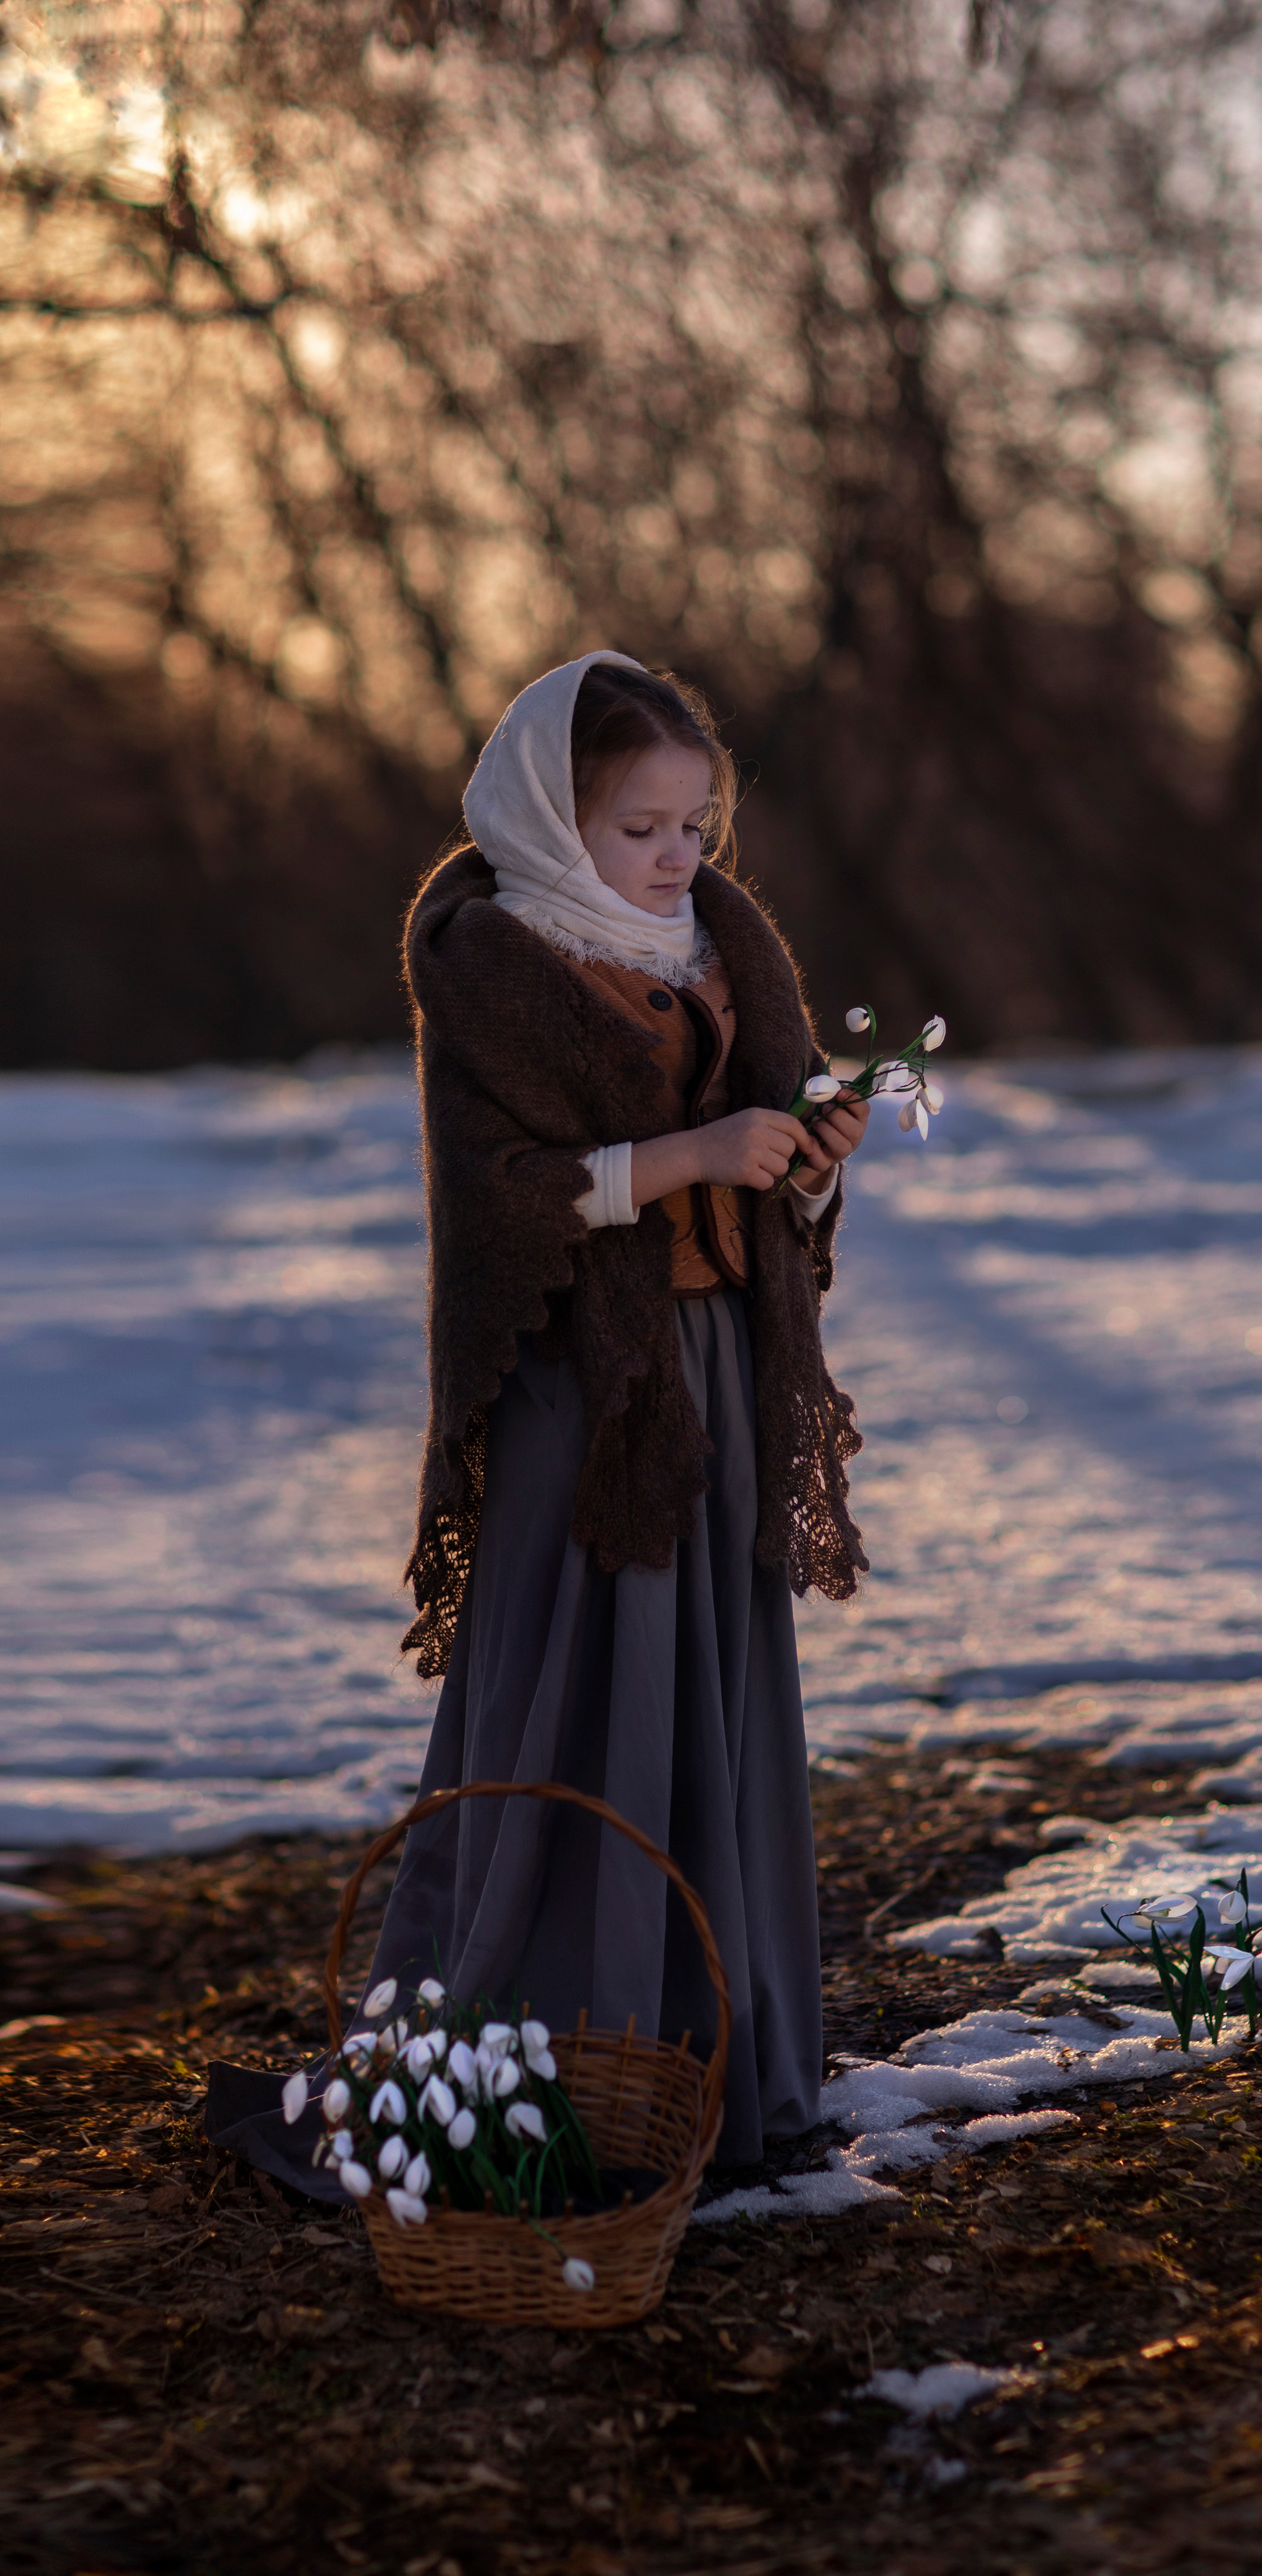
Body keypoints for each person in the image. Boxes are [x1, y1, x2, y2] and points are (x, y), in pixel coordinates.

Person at [206, 650, 868, 2187]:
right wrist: (690, 1151)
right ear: (555, 818)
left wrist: (805, 1158)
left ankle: (705, 2059)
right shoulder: (492, 957)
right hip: (588, 1393)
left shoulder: (728, 943)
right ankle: (555, 2051)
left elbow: (753, 1179)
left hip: (711, 1363)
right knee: (590, 1700)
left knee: (708, 1699)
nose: (676, 855)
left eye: (694, 821)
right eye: (641, 825)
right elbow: (503, 1206)